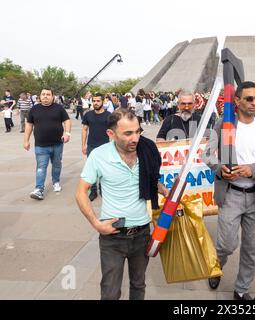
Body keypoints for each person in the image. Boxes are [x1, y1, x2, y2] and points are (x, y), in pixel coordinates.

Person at [76, 108, 168, 300]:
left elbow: (149, 178)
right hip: (113, 235)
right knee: (110, 291)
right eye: (128, 133)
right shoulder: (99, 155)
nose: (135, 138)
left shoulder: (146, 150)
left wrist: (161, 188)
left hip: (142, 233)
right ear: (111, 134)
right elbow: (80, 192)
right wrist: (96, 223)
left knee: (138, 285)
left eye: (137, 131)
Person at [203, 81, 255, 300]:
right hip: (230, 194)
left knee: (251, 248)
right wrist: (219, 169)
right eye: (249, 98)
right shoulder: (224, 124)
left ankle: (241, 289)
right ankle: (216, 267)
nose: (254, 103)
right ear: (236, 101)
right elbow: (207, 155)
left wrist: (251, 169)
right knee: (226, 244)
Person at [24, 88, 71, 200]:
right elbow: (29, 125)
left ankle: (56, 181)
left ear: (52, 96)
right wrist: (26, 140)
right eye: (43, 94)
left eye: (48, 94)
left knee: (57, 165)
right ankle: (39, 189)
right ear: (39, 96)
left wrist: (67, 133)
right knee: (41, 167)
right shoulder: (34, 109)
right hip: (40, 145)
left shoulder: (59, 108)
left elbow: (67, 121)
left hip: (57, 144)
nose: (45, 96)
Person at [81, 92, 111, 201]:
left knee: (104, 169)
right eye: (94, 101)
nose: (96, 103)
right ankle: (93, 191)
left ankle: (102, 189)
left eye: (98, 101)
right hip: (91, 146)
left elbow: (113, 131)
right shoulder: (88, 115)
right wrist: (83, 145)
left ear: (103, 101)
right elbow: (84, 130)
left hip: (105, 146)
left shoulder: (108, 115)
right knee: (92, 170)